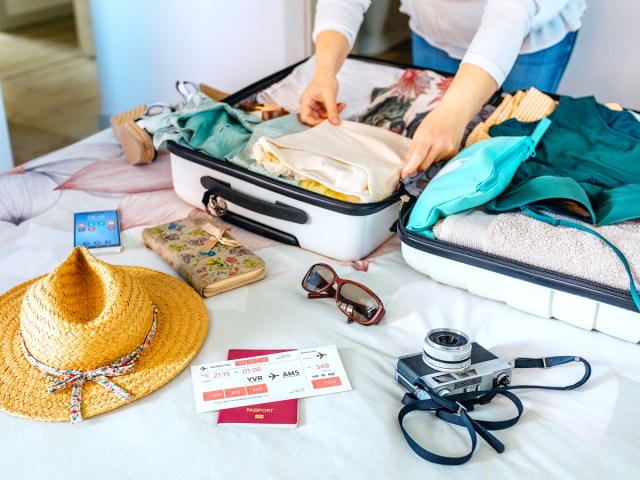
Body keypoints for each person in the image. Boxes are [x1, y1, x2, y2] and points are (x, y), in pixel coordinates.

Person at [299, 0, 586, 178]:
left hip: (525, 38)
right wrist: (324, 71)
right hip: (435, 28)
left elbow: (510, 12)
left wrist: (453, 112)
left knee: (508, 152)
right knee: (434, 143)